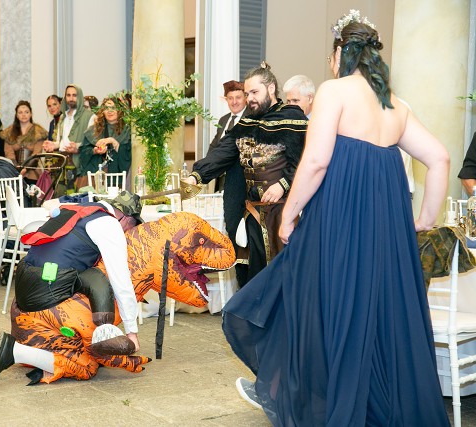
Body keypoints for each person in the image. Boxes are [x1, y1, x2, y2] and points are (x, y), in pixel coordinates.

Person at [223, 11, 450, 426]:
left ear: (341, 55)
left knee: (304, 300)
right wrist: (424, 220)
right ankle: (326, 395)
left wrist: (289, 215)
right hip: (384, 233)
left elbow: (315, 162)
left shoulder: (335, 92)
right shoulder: (396, 105)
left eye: (331, 57)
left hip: (337, 224)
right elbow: (440, 158)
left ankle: (292, 390)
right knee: (372, 316)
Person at [0, 198, 140, 392]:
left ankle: (31, 348)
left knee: (89, 276)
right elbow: (121, 280)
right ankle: (14, 352)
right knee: (86, 366)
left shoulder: (77, 209)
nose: (127, 233)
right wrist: (131, 332)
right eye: (130, 228)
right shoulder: (109, 224)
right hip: (46, 289)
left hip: (24, 281)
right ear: (126, 219)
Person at [185, 62, 307, 283]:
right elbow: (224, 150)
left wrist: (282, 185)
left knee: (283, 277)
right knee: (253, 276)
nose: (250, 98)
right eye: (247, 93)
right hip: (252, 212)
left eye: (254, 92)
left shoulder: (292, 118)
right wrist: (197, 175)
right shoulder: (248, 121)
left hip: (283, 212)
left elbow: (304, 160)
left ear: (271, 88)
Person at [207, 80, 251, 287]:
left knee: (242, 237)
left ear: (245, 98)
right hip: (222, 186)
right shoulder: (224, 120)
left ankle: (244, 283)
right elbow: (214, 149)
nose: (234, 102)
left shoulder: (251, 119)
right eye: (230, 98)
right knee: (226, 234)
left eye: (238, 97)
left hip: (242, 188)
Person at [45, 85, 95, 190]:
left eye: (74, 95)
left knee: (77, 196)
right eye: (68, 95)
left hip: (80, 164)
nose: (71, 98)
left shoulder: (90, 116)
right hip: (62, 161)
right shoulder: (63, 116)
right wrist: (53, 145)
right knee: (61, 194)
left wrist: (77, 147)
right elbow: (61, 142)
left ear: (80, 97)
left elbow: (94, 144)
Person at [79, 97, 131, 177]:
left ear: (120, 110)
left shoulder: (127, 131)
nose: (110, 111)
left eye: (113, 108)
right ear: (103, 111)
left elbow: (128, 156)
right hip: (95, 175)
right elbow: (83, 153)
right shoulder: (93, 129)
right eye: (106, 108)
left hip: (118, 176)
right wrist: (95, 151)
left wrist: (113, 142)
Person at [0, 100, 48, 184]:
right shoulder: (9, 132)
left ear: (31, 114)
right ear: (17, 115)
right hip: (14, 173)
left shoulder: (38, 132)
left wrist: (25, 169)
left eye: (26, 112)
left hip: (33, 173)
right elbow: (9, 154)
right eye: (20, 112)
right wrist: (17, 169)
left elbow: (36, 155)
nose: (23, 115)